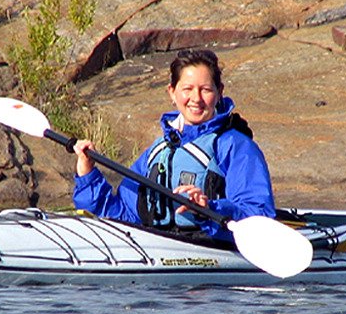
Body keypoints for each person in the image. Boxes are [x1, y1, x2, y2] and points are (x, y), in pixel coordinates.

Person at [72, 49, 276, 241]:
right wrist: (87, 175)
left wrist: (208, 208)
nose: (196, 99)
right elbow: (122, 215)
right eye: (187, 89)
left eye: (205, 90)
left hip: (214, 252)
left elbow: (258, 214)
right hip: (161, 252)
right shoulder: (158, 151)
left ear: (219, 92)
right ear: (172, 92)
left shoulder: (236, 146)